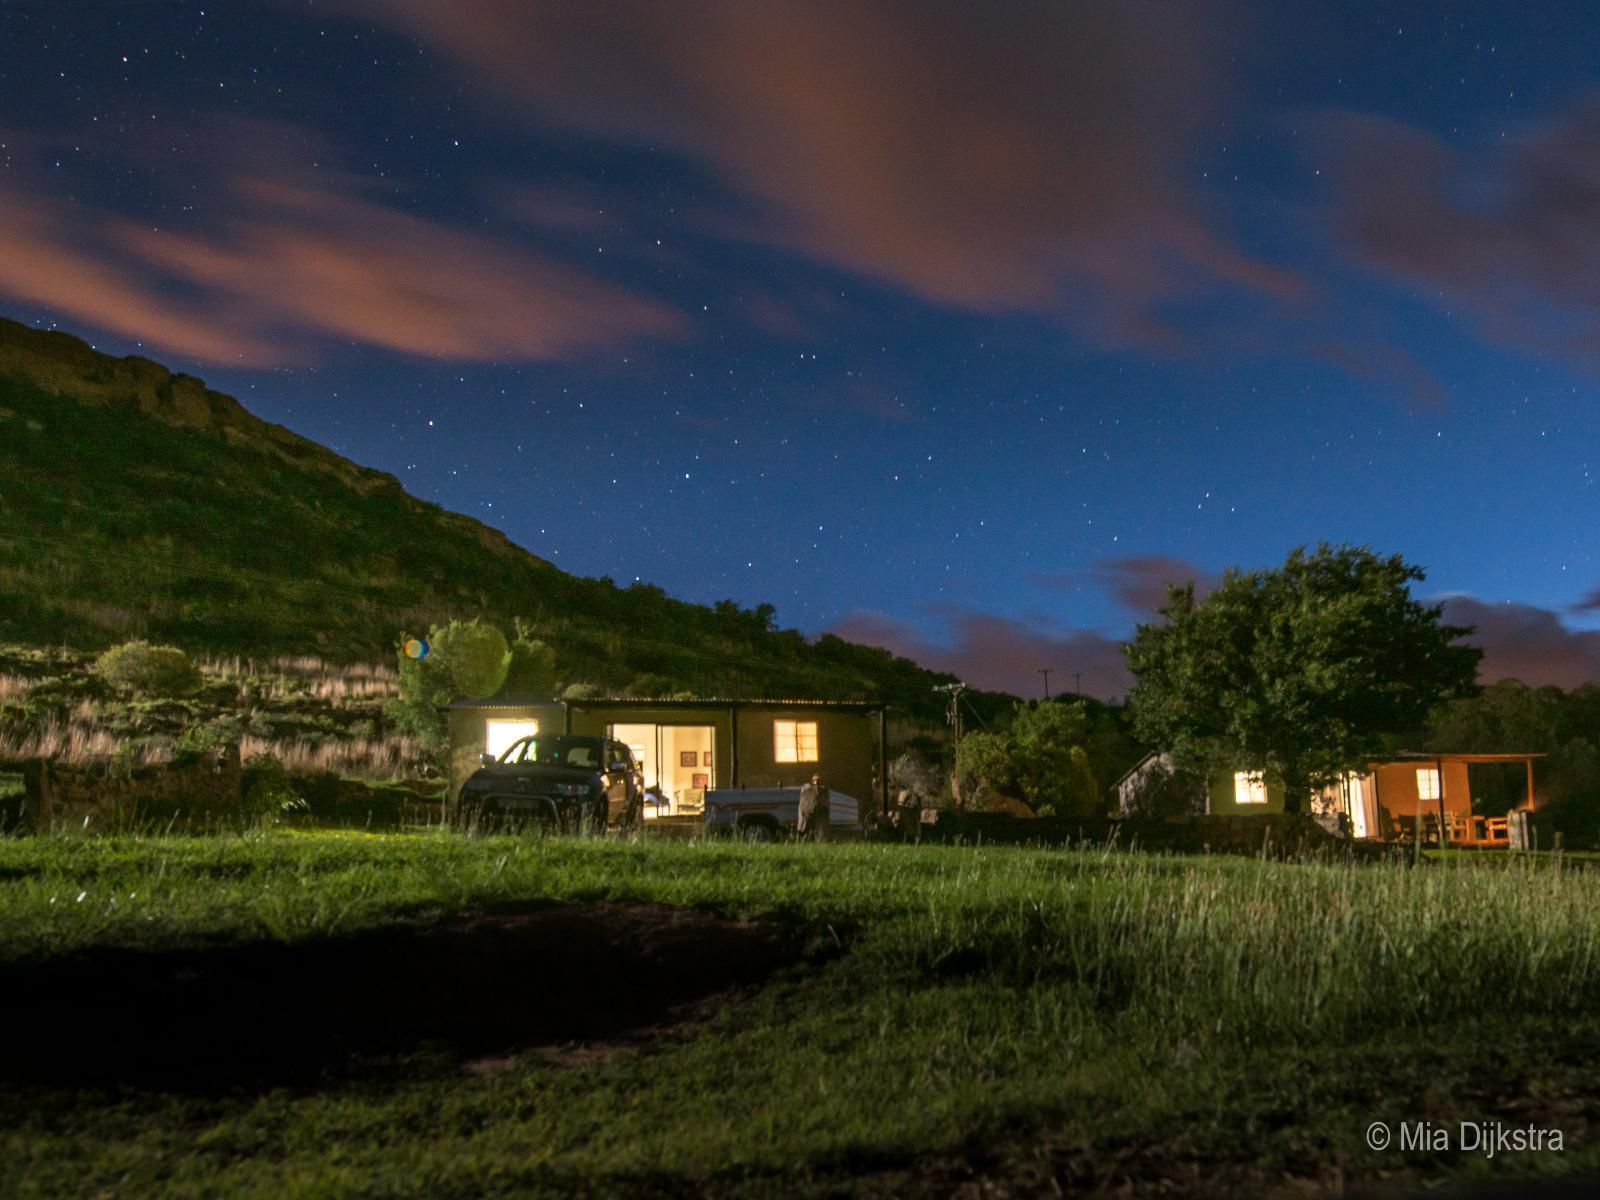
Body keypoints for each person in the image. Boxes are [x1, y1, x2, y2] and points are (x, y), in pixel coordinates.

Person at [796, 773, 830, 841]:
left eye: (818, 780)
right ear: (812, 780)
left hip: (816, 815)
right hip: (807, 814)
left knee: (816, 829)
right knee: (804, 827)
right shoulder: (807, 788)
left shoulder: (822, 790)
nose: (816, 782)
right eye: (815, 780)